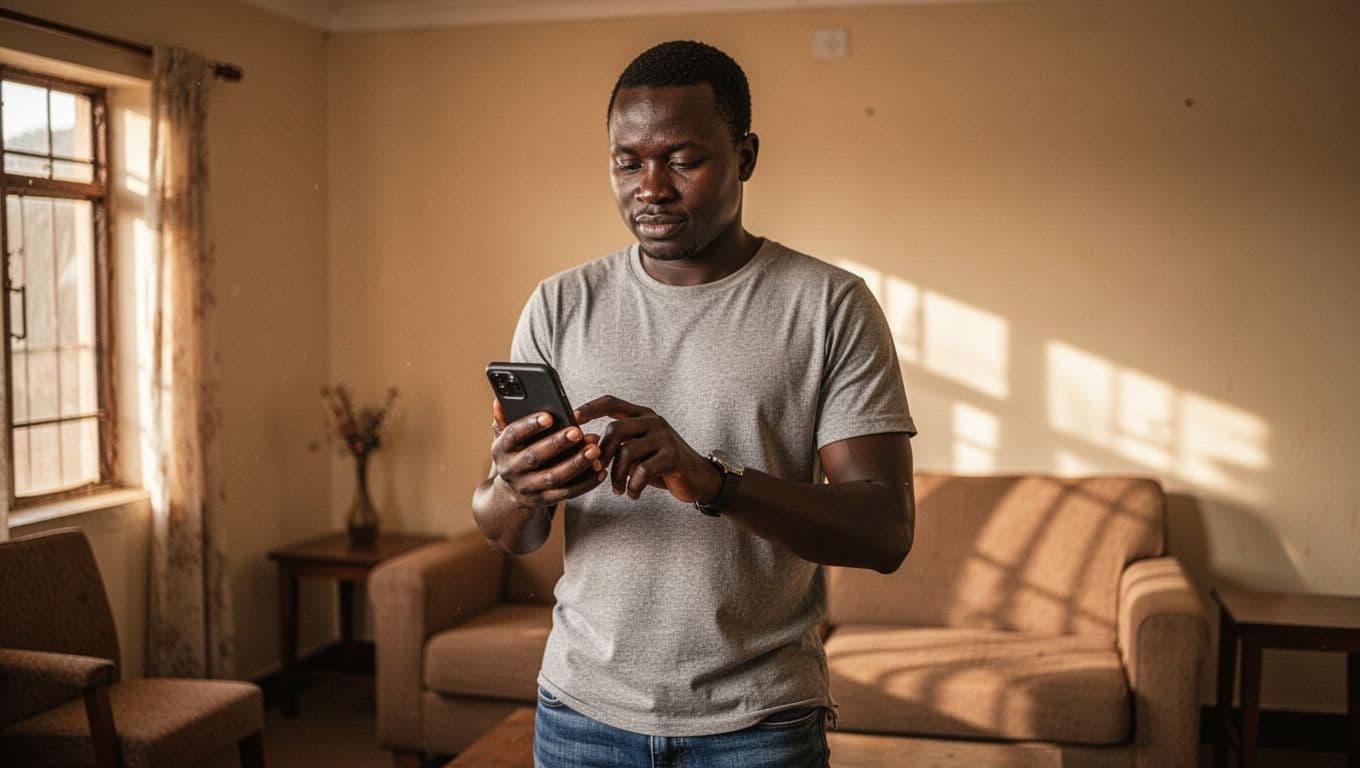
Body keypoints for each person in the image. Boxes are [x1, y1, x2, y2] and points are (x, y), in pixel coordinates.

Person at [471, 40, 917, 768]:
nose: (650, 187)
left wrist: (713, 483)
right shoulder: (558, 305)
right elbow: (512, 532)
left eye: (682, 159)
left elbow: (885, 531)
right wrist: (518, 488)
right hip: (580, 714)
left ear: (745, 155)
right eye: (628, 161)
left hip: (760, 724)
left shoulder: (828, 305)